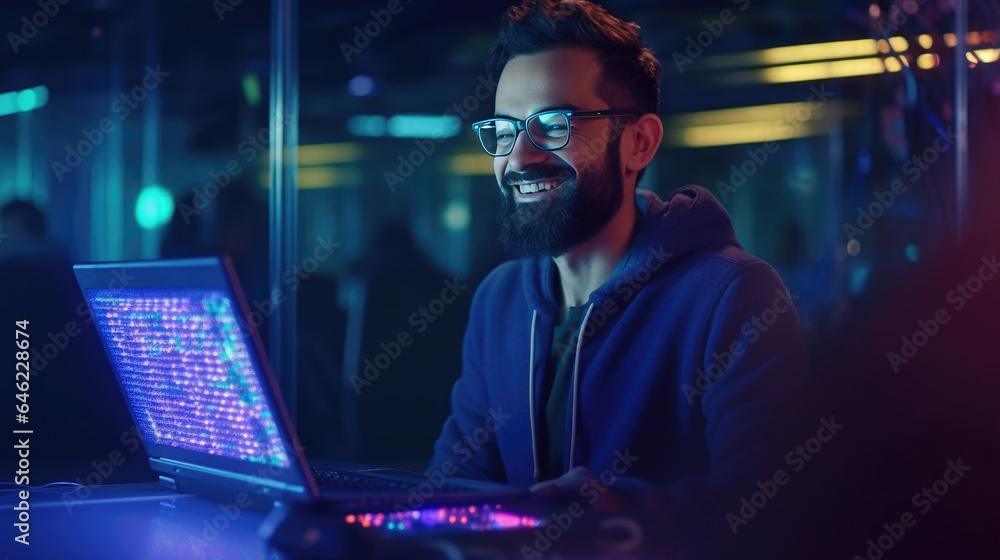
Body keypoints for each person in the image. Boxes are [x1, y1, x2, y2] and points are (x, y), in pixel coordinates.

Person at [426, 0, 811, 554]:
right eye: (505, 130)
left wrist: (618, 512)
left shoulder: (733, 294)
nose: (519, 157)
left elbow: (777, 508)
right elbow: (455, 488)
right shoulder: (500, 301)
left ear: (639, 143)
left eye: (553, 125)